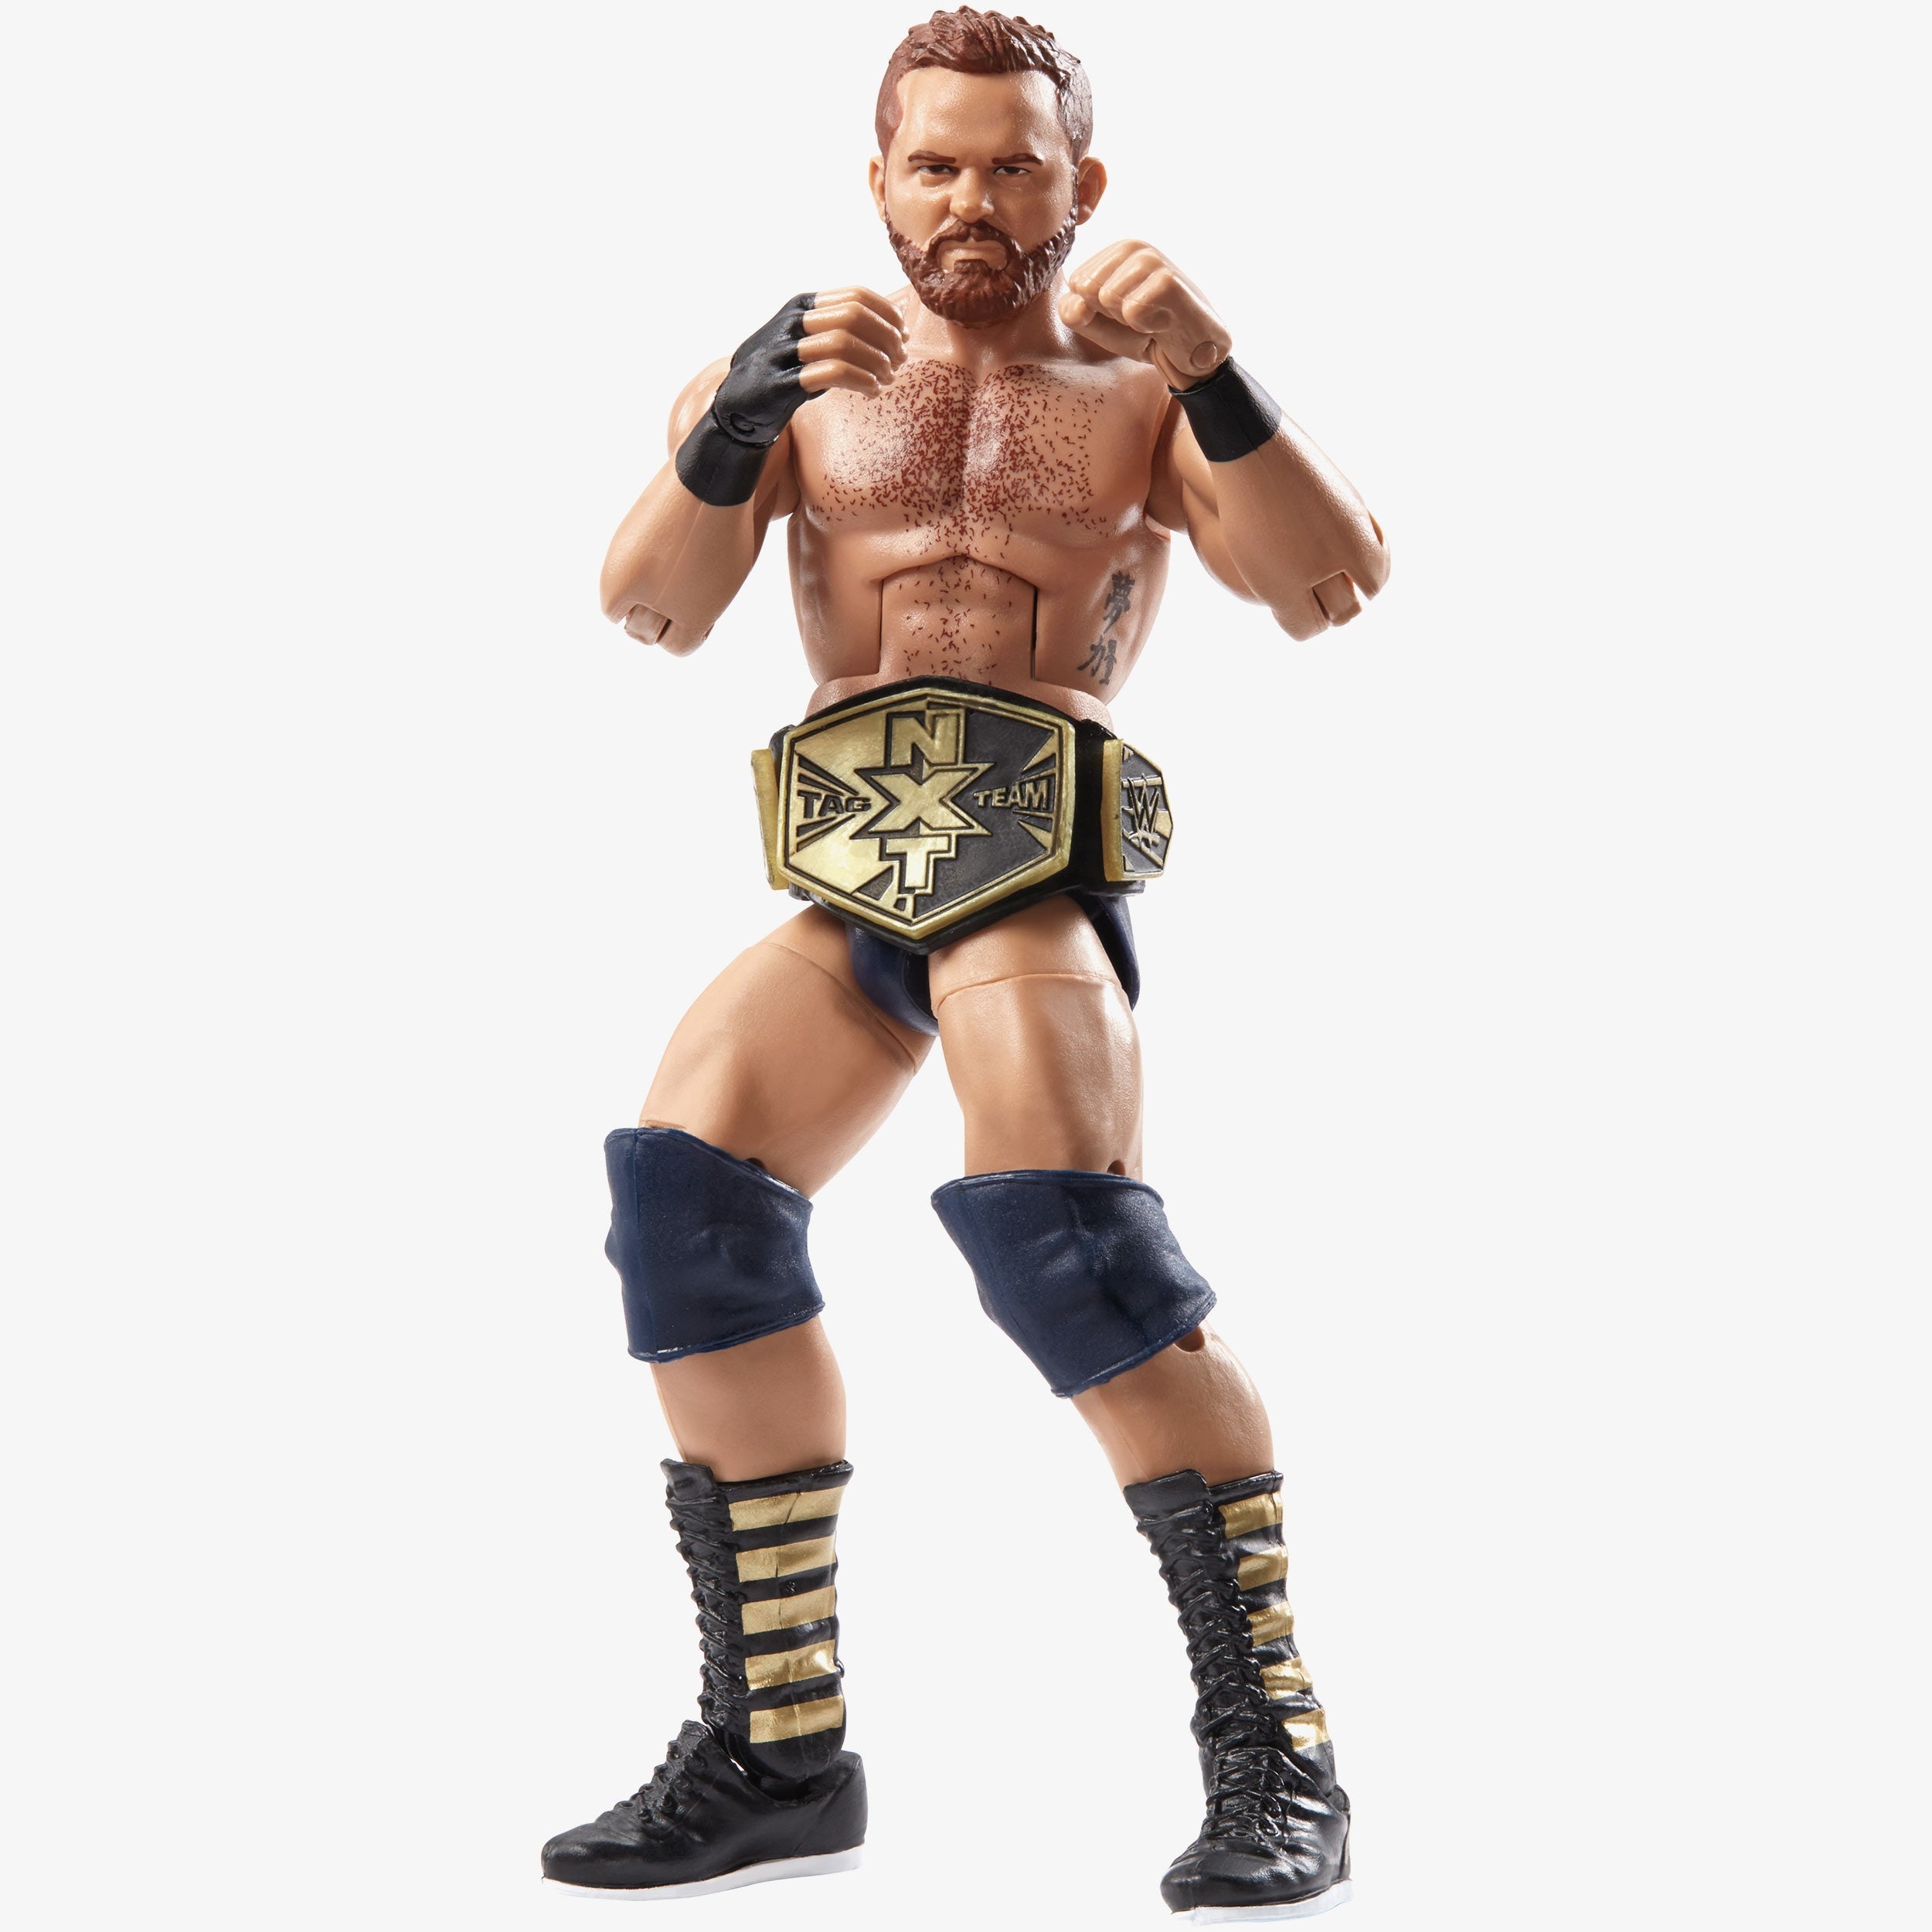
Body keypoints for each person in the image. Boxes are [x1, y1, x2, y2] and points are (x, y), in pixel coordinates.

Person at [542, 9, 1389, 1918]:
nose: (972, 202)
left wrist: (1219, 370)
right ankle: (777, 1747)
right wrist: (734, 416)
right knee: (685, 1201)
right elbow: (647, 606)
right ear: (878, 179)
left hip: (1029, 873)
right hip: (855, 870)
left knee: (1067, 1247)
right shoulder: (799, 375)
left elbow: (1325, 583)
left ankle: (1275, 1750)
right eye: (935, 164)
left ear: (1082, 183)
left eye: (1014, 166)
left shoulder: (1137, 387)